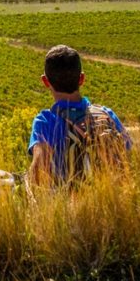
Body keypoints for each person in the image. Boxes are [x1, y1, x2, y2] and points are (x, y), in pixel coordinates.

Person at [28, 45, 131, 187]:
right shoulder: (107, 114)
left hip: (71, 205)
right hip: (113, 201)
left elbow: (39, 173)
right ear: (81, 79)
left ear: (45, 81)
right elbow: (129, 159)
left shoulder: (46, 121)